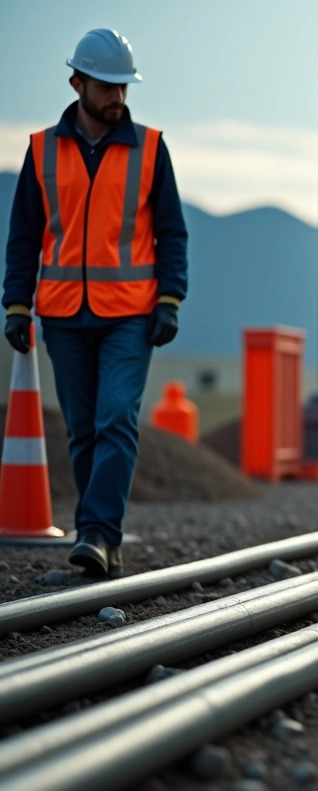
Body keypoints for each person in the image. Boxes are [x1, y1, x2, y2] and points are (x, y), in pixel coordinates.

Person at [3, 29, 188, 579]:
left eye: (124, 87)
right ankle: (98, 535)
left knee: (116, 419)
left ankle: (99, 534)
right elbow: (23, 235)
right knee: (82, 429)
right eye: (107, 86)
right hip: (61, 314)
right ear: (77, 83)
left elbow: (172, 233)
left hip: (130, 315)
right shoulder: (41, 150)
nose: (118, 97)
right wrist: (16, 304)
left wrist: (171, 298)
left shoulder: (151, 148)